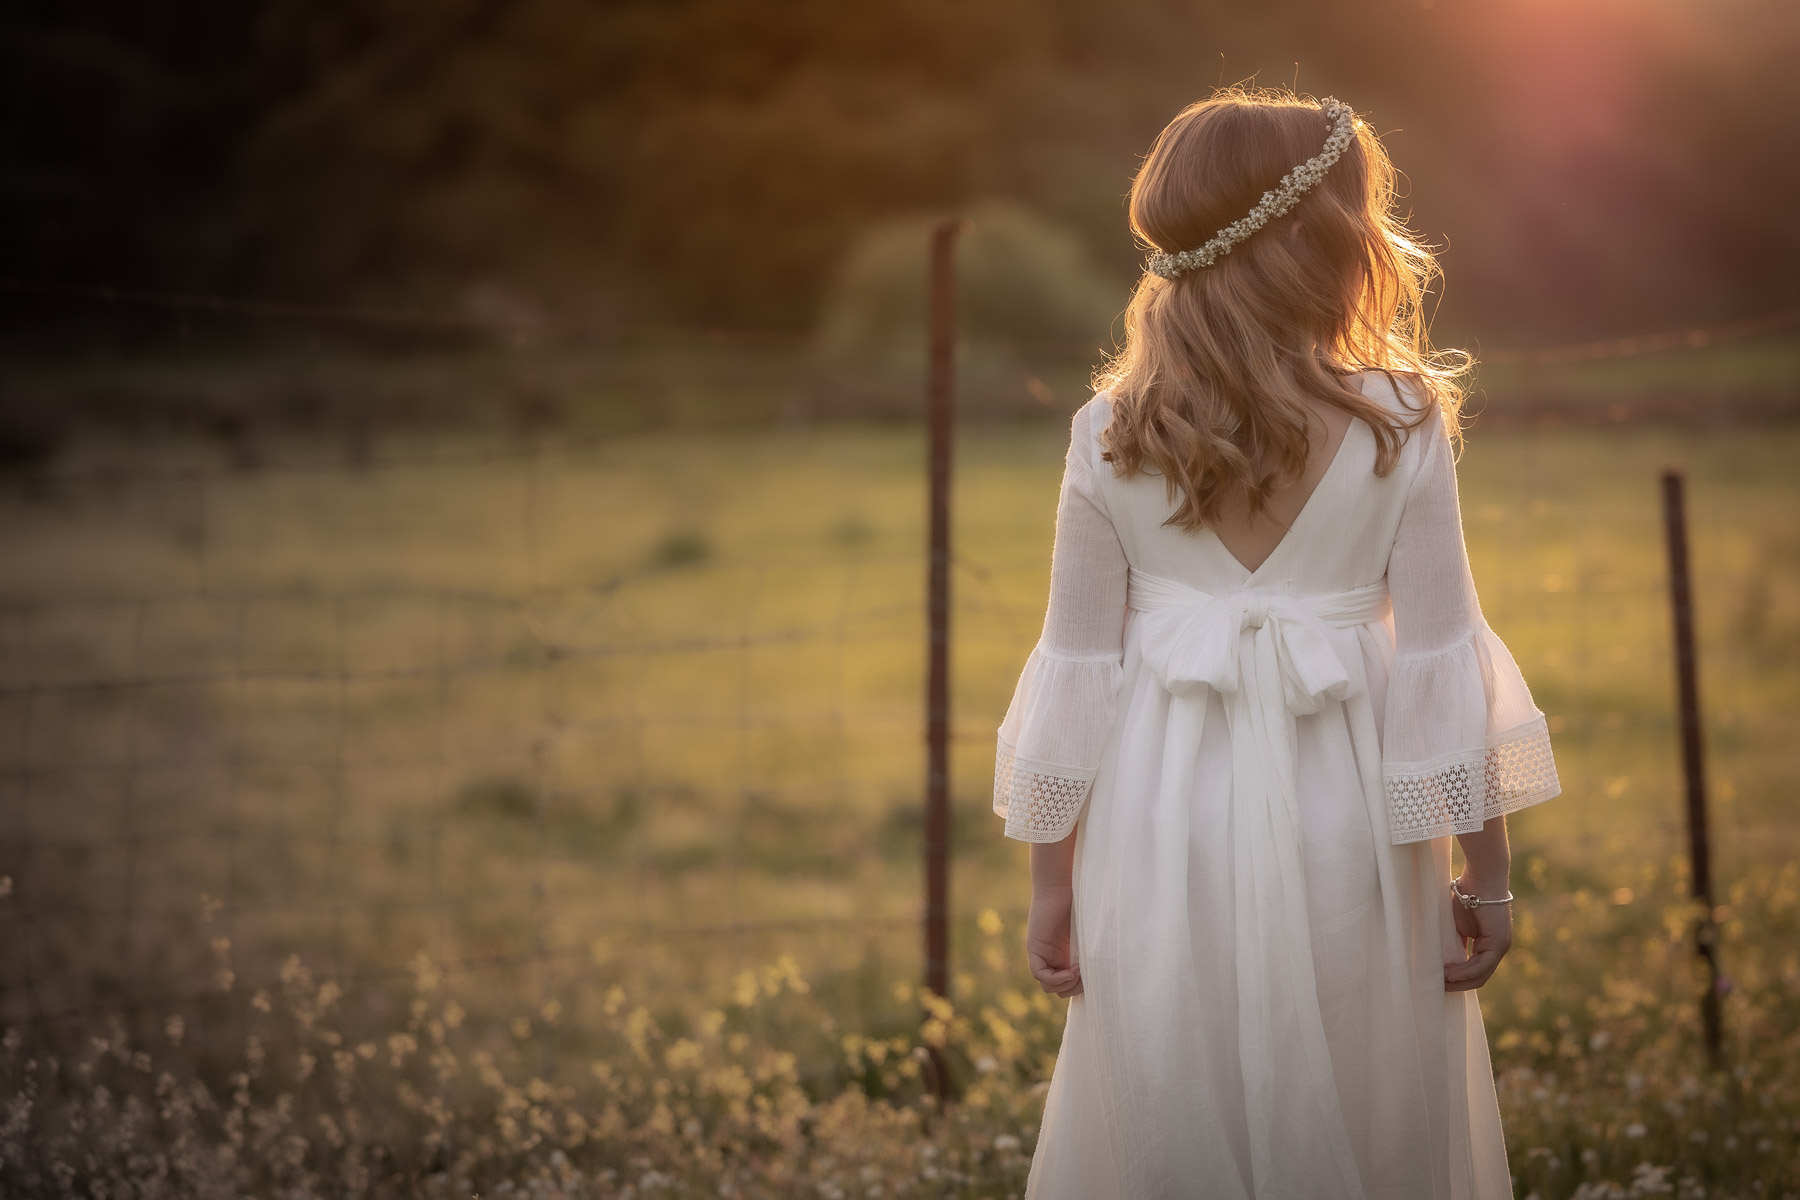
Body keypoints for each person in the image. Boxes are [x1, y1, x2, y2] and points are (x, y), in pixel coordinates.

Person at [991, 87, 1561, 1200]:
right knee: (1361, 1076)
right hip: (1347, 807)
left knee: (1170, 1075)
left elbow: (1080, 675)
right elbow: (1443, 665)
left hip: (1159, 810)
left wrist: (1048, 885)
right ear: (1327, 243)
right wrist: (1484, 879)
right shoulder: (1401, 419)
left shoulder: (1109, 435)